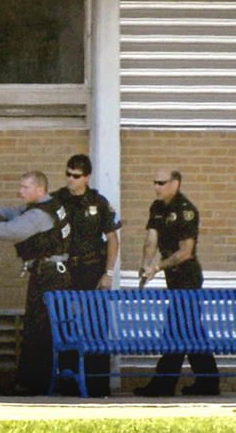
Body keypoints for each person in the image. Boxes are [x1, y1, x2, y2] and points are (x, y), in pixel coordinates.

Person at [0, 171, 71, 395]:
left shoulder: (40, 215)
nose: (20, 191)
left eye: (25, 187)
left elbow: (13, 230)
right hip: (50, 273)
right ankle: (34, 382)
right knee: (37, 327)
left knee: (39, 330)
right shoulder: (48, 204)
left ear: (40, 189)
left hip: (49, 276)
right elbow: (16, 213)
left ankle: (34, 385)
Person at [133, 170, 219, 397]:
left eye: (161, 183)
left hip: (187, 275)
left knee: (177, 328)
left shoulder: (186, 210)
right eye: (154, 182)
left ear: (175, 183)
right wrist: (145, 265)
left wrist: (158, 267)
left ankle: (164, 383)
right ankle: (208, 382)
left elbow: (185, 252)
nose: (156, 187)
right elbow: (152, 238)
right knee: (190, 330)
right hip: (172, 277)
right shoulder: (157, 208)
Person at [50, 154, 120, 397]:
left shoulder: (98, 202)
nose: (70, 180)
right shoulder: (57, 200)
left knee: (96, 326)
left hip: (92, 269)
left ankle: (98, 385)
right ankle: (68, 383)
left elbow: (112, 239)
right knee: (66, 324)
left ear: (87, 177)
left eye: (76, 176)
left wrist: (108, 273)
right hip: (67, 270)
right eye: (68, 174)